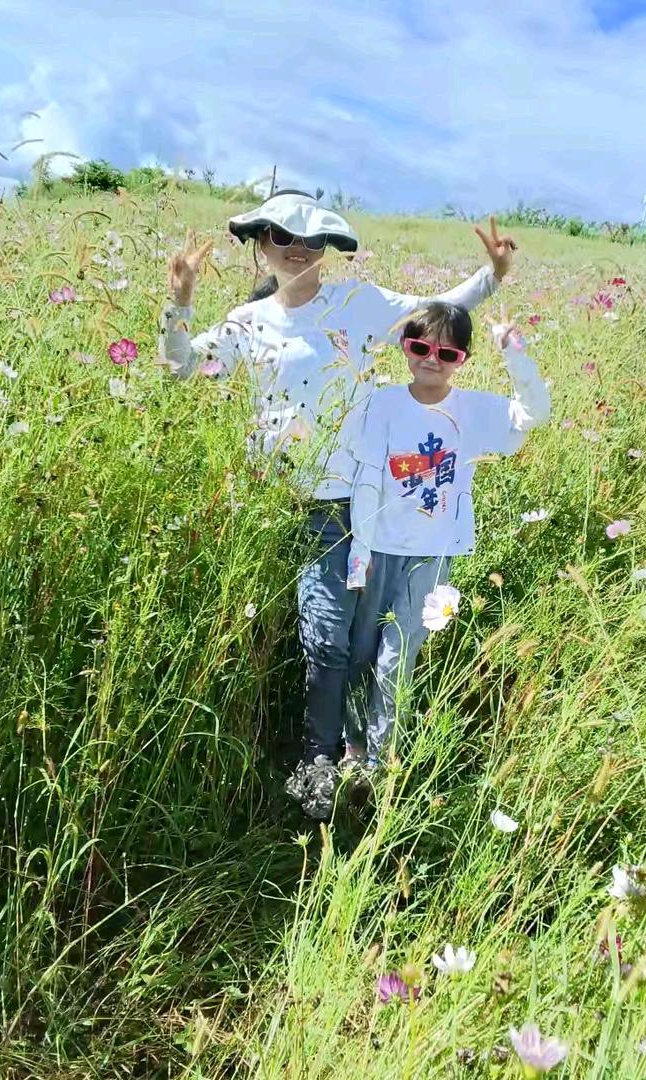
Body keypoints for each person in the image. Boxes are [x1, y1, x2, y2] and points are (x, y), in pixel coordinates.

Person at [157, 190, 518, 819]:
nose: (295, 249)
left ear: (327, 250)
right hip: (291, 502)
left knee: (356, 640)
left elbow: (438, 310)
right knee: (325, 638)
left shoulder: (358, 303)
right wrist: (181, 300)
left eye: (309, 241)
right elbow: (179, 366)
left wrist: (493, 276)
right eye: (279, 237)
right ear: (260, 245)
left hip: (367, 500)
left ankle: (350, 755)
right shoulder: (249, 322)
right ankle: (320, 757)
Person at [343, 301, 550, 777]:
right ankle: (353, 749)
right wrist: (359, 550)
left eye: (447, 353)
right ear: (405, 347)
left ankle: (378, 763)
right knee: (360, 651)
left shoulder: (474, 410)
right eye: (420, 347)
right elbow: (369, 476)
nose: (431, 359)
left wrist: (514, 353)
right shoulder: (384, 402)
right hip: (376, 549)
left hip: (431, 558)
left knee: (398, 657)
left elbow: (534, 414)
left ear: (464, 359)